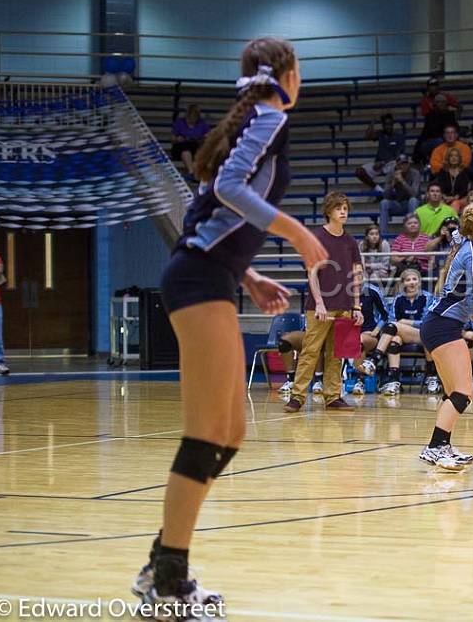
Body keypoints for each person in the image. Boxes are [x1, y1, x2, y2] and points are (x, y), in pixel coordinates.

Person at [133, 38, 329, 610]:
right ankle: (169, 579)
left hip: (212, 276)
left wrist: (249, 277)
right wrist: (295, 232)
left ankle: (160, 560)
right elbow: (225, 192)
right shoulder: (269, 118)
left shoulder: (245, 124)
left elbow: (206, 212)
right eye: (301, 71)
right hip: (196, 279)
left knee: (232, 433)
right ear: (287, 75)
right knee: (204, 435)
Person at [417, 202, 473, 471]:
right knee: (464, 391)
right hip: (443, 326)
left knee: (453, 391)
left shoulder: (471, 249)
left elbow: (469, 300)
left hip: (440, 325)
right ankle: (435, 447)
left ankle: (440, 445)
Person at [282, 192, 361, 413]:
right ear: (328, 211)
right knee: (310, 351)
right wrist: (319, 303)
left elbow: (356, 275)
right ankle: (297, 396)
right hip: (319, 307)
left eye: (345, 208)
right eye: (339, 208)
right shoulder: (316, 237)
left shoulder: (350, 242)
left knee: (337, 354)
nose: (343, 212)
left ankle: (333, 396)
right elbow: (312, 273)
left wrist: (356, 305)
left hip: (345, 305)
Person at [362, 269, 435, 396]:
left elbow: (427, 322)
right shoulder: (399, 299)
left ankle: (375, 358)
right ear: (403, 283)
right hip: (402, 334)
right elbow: (391, 319)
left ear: (419, 282)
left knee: (394, 326)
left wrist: (406, 322)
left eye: (414, 279)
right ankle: (394, 380)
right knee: (394, 339)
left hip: (422, 334)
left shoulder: (427, 297)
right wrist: (401, 324)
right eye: (408, 280)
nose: (411, 283)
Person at [356, 114, 405, 194]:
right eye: (385, 124)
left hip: (392, 163)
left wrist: (384, 162)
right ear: (383, 125)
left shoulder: (398, 136)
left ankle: (392, 190)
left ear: (393, 124)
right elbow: (367, 137)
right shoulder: (380, 133)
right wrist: (372, 123)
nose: (388, 126)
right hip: (378, 163)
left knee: (399, 167)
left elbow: (399, 155)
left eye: (390, 124)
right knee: (359, 172)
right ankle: (378, 189)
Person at [378, 156, 422, 236]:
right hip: (399, 203)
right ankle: (383, 236)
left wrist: (402, 181)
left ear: (409, 164)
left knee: (413, 200)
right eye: (401, 164)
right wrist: (393, 183)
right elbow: (385, 195)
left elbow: (414, 194)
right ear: (397, 166)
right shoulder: (392, 173)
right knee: (384, 203)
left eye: (405, 163)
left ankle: (412, 234)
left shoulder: (415, 173)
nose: (404, 166)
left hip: (414, 205)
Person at [170, 104, 211, 175]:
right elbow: (172, 138)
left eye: (194, 118)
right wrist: (177, 138)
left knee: (201, 150)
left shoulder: (202, 124)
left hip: (196, 145)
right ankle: (191, 171)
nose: (192, 120)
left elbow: (209, 135)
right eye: (190, 118)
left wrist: (204, 137)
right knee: (185, 149)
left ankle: (195, 172)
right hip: (181, 146)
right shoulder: (179, 123)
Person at [436, 147, 470, 213]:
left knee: (455, 203)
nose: (454, 158)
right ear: (448, 158)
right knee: (440, 204)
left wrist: (454, 198)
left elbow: (464, 189)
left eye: (456, 156)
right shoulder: (443, 171)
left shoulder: (464, 171)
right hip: (445, 198)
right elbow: (440, 186)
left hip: (461, 198)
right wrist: (445, 197)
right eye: (451, 156)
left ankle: (452, 222)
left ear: (459, 158)